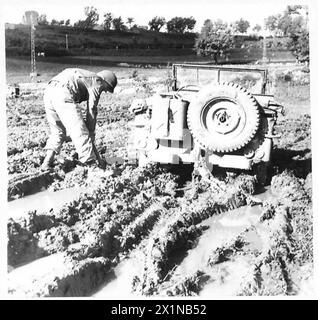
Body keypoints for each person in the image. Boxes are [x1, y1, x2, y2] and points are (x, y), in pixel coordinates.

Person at [41, 68, 117, 170]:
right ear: (105, 80)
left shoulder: (86, 76)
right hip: (64, 92)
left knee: (58, 131)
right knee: (80, 131)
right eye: (106, 89)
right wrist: (90, 131)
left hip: (49, 92)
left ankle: (47, 162)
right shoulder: (97, 80)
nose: (103, 91)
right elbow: (92, 109)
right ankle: (91, 165)